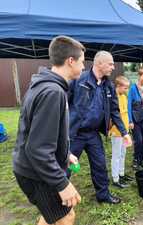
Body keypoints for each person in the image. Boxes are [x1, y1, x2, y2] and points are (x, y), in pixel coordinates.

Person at [13, 36, 85, 225]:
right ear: (71, 61)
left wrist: (66, 153)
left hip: (31, 167)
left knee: (52, 216)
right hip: (35, 173)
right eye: (82, 61)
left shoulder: (45, 85)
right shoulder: (53, 92)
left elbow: (40, 133)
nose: (84, 67)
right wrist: (62, 184)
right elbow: (37, 149)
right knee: (66, 217)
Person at [68, 51, 132, 204]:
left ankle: (103, 195)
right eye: (110, 64)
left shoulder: (108, 86)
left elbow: (115, 111)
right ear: (99, 64)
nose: (112, 67)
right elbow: (63, 102)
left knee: (100, 165)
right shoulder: (79, 80)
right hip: (75, 134)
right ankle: (58, 195)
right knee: (68, 165)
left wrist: (124, 132)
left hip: (93, 134)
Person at [109, 76, 134, 188]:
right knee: (116, 155)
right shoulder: (113, 97)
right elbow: (114, 116)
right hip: (117, 132)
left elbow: (125, 113)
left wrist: (128, 125)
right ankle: (115, 179)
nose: (126, 90)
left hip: (125, 132)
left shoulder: (123, 96)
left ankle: (121, 174)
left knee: (123, 153)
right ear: (118, 86)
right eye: (125, 88)